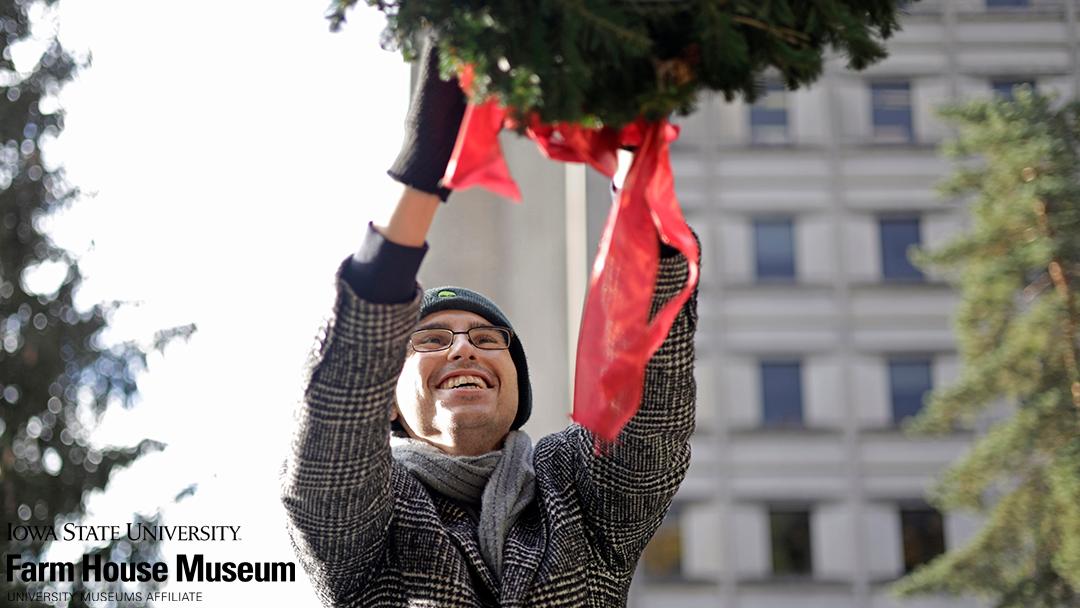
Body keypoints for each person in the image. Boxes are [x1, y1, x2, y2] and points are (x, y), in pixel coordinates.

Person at [281, 40, 699, 607]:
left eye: (486, 339)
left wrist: (635, 148)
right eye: (430, 340)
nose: (463, 350)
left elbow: (648, 404)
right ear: (388, 403)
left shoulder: (575, 489)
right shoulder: (369, 517)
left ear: (517, 386)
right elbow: (335, 427)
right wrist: (422, 175)